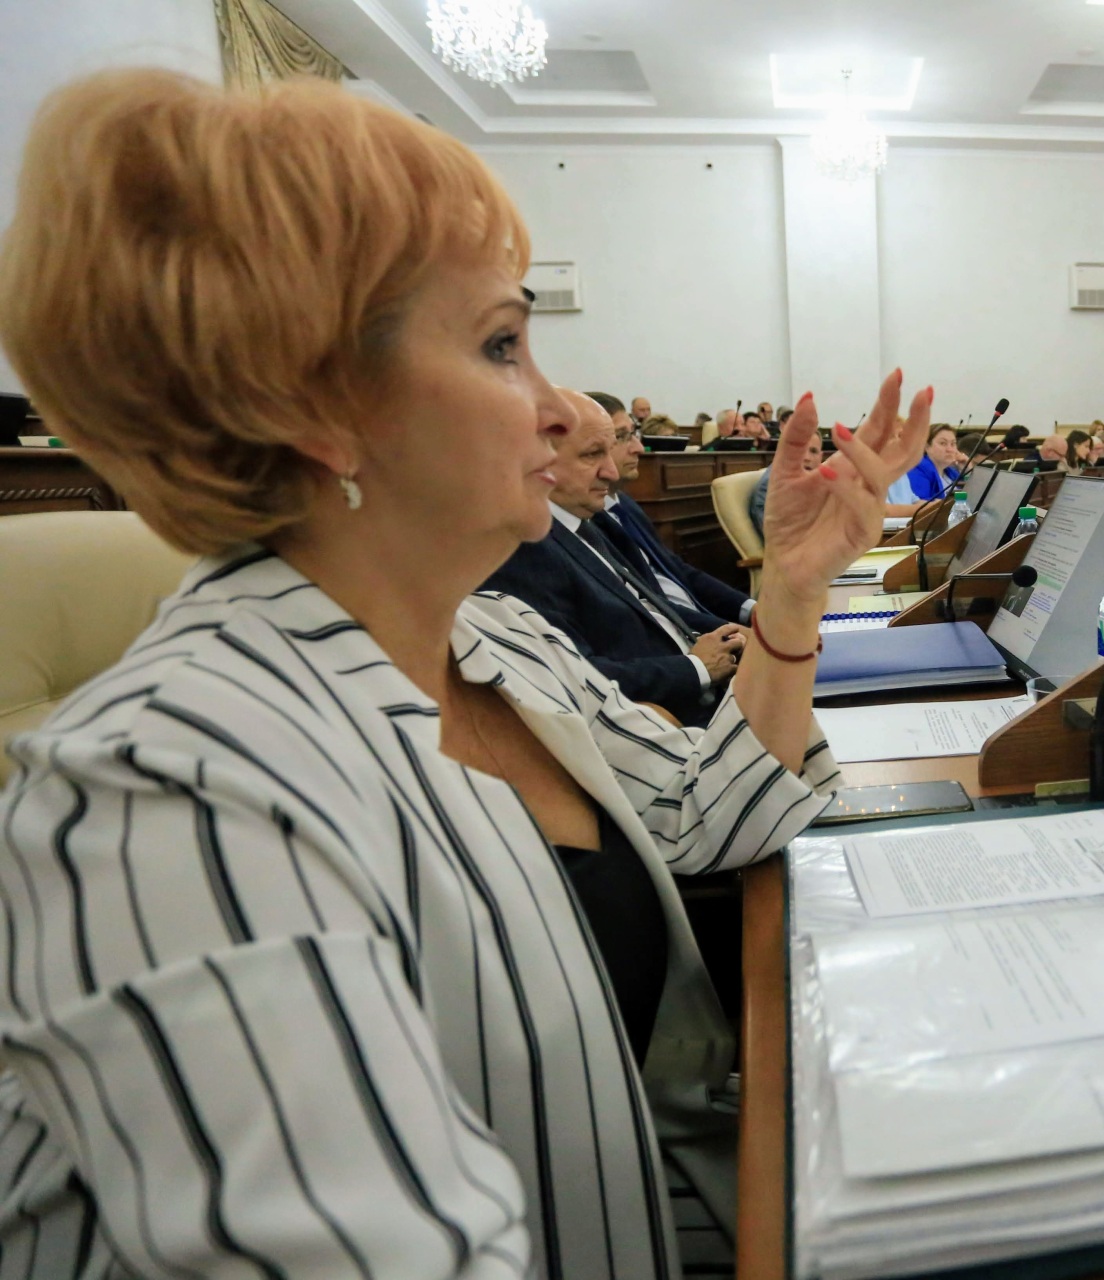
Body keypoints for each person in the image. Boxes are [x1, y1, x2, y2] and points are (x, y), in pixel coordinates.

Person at [0, 67, 935, 1276]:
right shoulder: (167, 795)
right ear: (311, 406)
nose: (566, 411)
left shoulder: (492, 636)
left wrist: (793, 592)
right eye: (503, 345)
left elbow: (708, 815)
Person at [483, 390, 751, 726]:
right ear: (534, 461)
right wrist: (696, 668)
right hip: (670, 719)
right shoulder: (522, 548)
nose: (611, 472)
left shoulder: (588, 520)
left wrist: (732, 637)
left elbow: (653, 608)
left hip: (712, 685)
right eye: (592, 454)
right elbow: (576, 677)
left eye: (610, 450)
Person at [600, 394, 755, 627]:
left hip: (701, 623)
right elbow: (647, 607)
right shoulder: (589, 523)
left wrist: (751, 609)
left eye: (634, 434)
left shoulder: (624, 505)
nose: (639, 448)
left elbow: (678, 571)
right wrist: (734, 632)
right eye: (622, 436)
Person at [751, 430, 824, 536]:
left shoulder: (816, 481)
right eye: (800, 450)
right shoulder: (770, 486)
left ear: (820, 457)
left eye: (813, 451)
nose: (807, 458)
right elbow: (778, 537)